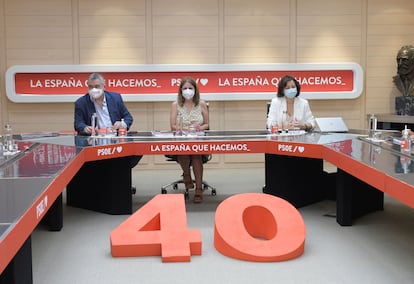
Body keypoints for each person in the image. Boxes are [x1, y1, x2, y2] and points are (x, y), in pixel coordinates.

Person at [74, 73, 141, 192]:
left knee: (136, 151)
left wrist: (121, 124)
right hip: (95, 140)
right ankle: (105, 183)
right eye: (90, 87)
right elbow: (78, 123)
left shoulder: (115, 98)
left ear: (104, 87)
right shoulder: (81, 102)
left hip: (115, 138)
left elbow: (128, 118)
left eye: (97, 86)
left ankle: (119, 180)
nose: (94, 89)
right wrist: (85, 128)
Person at [170, 77, 209, 203]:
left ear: (195, 90)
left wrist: (199, 127)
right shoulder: (175, 105)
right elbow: (173, 126)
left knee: (196, 156)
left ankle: (198, 189)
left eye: (190, 88)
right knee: (184, 151)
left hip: (198, 138)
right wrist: (185, 129)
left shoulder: (201, 104)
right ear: (181, 90)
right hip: (182, 137)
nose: (187, 91)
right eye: (185, 88)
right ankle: (187, 175)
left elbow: (207, 124)